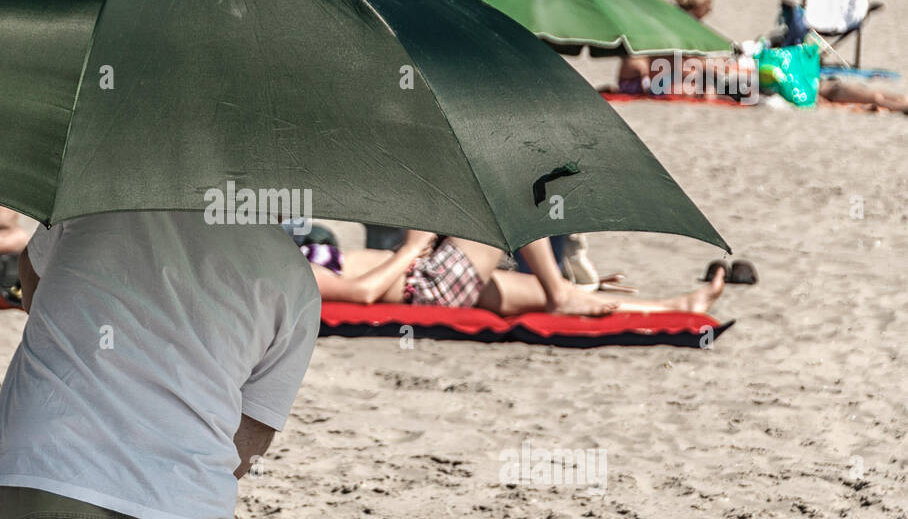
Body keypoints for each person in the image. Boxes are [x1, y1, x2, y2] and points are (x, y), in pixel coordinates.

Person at [0, 212, 320, 519]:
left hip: (46, 481)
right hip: (182, 514)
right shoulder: (293, 277)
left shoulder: (88, 206)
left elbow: (30, 278)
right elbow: (247, 443)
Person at [305, 231, 725, 317]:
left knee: (546, 296)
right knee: (503, 209)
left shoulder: (283, 257)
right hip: (427, 285)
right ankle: (561, 290)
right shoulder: (289, 269)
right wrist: (413, 248)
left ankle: (678, 305)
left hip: (433, 280)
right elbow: (360, 294)